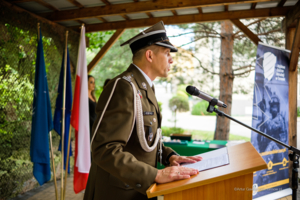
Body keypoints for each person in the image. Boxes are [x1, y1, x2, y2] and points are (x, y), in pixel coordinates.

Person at [84, 21, 202, 200]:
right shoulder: (123, 86)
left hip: (138, 191)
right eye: (167, 52)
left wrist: (169, 156)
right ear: (149, 55)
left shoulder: (145, 87)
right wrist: (154, 175)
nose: (171, 59)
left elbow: (144, 139)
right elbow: (104, 149)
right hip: (118, 193)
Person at [88, 75, 97, 142]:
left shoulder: (93, 97)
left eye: (94, 82)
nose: (93, 84)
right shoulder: (84, 98)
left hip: (95, 126)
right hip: (89, 126)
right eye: (91, 82)